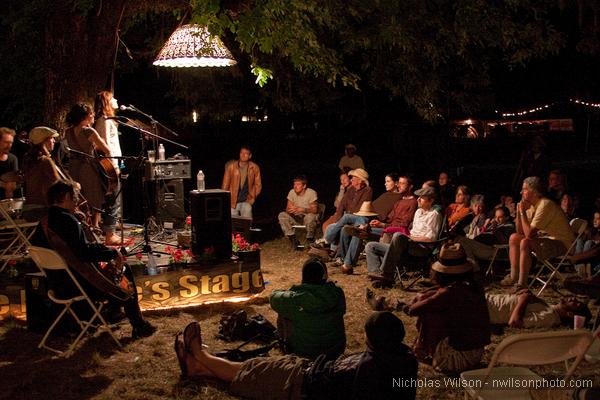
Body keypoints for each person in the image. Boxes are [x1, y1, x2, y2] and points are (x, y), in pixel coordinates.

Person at [174, 311, 418, 400]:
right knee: (256, 364)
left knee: (250, 373)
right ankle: (200, 368)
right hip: (310, 368)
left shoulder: (370, 371)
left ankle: (200, 357)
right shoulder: (403, 359)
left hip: (301, 383)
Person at [30, 180, 155, 339]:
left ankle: (112, 312)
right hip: (79, 285)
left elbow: (72, 250)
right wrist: (112, 253)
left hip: (58, 284)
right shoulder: (68, 221)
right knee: (124, 271)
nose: (77, 200)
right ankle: (138, 324)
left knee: (112, 268)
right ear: (67, 196)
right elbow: (84, 253)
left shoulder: (44, 222)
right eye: (74, 196)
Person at [397, 243, 490, 373]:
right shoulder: (474, 287)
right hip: (476, 353)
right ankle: (422, 347)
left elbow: (414, 310)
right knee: (431, 304)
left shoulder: (449, 293)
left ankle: (422, 349)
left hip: (456, 358)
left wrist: (415, 302)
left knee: (431, 313)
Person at [502, 176, 574, 290]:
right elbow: (519, 231)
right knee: (514, 238)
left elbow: (528, 234)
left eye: (524, 189)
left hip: (562, 244)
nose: (521, 192)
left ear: (534, 192)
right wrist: (520, 211)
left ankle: (522, 284)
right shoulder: (533, 207)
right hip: (548, 240)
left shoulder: (544, 205)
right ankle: (513, 276)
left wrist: (522, 213)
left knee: (526, 242)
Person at [336, 175, 417, 274]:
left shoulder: (413, 203)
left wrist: (383, 225)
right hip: (387, 228)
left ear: (410, 186)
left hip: (397, 233)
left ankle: (348, 264)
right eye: (399, 183)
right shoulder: (399, 201)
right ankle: (345, 261)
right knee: (353, 229)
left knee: (359, 232)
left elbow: (404, 225)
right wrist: (374, 224)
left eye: (402, 183)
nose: (399, 185)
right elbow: (389, 219)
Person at [270, 258, 346, 359]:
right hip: (335, 351)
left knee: (284, 310)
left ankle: (286, 346)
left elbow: (273, 297)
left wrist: (291, 292)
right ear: (324, 276)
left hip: (303, 353)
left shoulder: (295, 298)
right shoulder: (336, 293)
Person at [366, 186, 442, 286]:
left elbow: (430, 238)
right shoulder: (419, 212)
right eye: (418, 197)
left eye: (422, 197)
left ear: (431, 200)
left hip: (421, 248)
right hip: (407, 246)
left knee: (398, 235)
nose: (418, 199)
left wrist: (410, 238)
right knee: (370, 246)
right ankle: (377, 275)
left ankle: (387, 274)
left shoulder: (434, 215)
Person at [64, 103, 113, 230]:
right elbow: (106, 149)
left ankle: (81, 223)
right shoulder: (89, 131)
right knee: (94, 194)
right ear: (84, 117)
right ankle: (95, 225)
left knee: (79, 195)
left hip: (74, 167)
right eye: (91, 114)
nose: (93, 116)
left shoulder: (68, 132)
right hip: (88, 167)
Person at [312, 168, 372, 251]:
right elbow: (341, 205)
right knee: (331, 227)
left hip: (359, 218)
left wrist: (346, 217)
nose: (351, 180)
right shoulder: (351, 190)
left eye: (353, 178)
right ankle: (333, 251)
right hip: (347, 217)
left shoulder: (367, 190)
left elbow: (360, 208)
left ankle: (326, 240)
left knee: (346, 217)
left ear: (360, 180)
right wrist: (338, 221)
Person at [94, 91, 123, 245]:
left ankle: (111, 230)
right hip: (109, 163)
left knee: (114, 197)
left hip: (112, 162)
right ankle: (110, 234)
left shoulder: (108, 119)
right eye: (113, 98)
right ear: (107, 101)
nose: (116, 99)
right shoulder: (104, 120)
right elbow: (106, 144)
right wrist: (113, 164)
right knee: (113, 198)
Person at [486, 289, 592, 329]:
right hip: (487, 299)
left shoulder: (549, 317)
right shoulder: (550, 308)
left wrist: (523, 300)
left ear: (570, 314)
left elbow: (515, 323)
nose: (573, 298)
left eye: (576, 304)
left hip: (486, 308)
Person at [21, 127, 62, 220]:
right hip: (42, 210)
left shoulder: (27, 160)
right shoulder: (45, 160)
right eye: (52, 138)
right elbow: (60, 184)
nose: (54, 141)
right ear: (44, 141)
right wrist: (76, 185)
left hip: (27, 209)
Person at [457, 205, 515, 270]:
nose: (497, 219)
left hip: (493, 250)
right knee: (460, 241)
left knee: (462, 241)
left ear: (507, 217)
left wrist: (495, 229)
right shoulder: (497, 225)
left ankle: (473, 269)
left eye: (500, 217)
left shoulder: (509, 227)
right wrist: (486, 226)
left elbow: (504, 241)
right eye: (496, 217)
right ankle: (471, 268)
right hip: (482, 246)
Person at [278, 175, 319, 248]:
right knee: (282, 215)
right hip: (296, 217)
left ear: (304, 186)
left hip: (307, 217)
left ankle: (310, 239)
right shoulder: (291, 192)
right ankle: (293, 239)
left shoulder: (311, 193)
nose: (295, 186)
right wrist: (291, 210)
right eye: (294, 184)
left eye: (298, 184)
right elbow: (287, 209)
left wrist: (303, 209)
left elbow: (315, 210)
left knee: (310, 216)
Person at [222, 145, 262, 218]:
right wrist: (226, 200)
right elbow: (225, 185)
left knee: (246, 224)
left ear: (250, 156)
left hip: (246, 201)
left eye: (246, 153)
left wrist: (252, 197)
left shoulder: (254, 168)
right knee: (232, 225)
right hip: (232, 202)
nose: (243, 155)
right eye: (241, 153)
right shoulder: (231, 167)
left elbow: (258, 185)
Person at [0, 127, 18, 200]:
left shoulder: (13, 159)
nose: (9, 145)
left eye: (11, 143)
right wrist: (4, 185)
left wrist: (11, 187)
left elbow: (14, 180)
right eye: (6, 142)